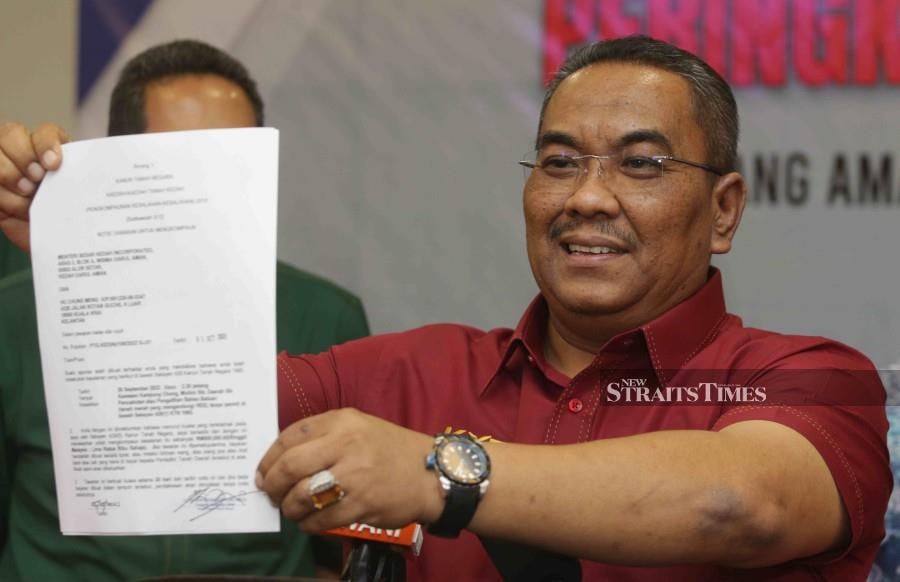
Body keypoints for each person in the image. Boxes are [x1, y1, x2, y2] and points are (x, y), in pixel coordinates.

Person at [0, 36, 890, 580]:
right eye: (559, 160)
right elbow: (167, 426)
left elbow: (739, 504)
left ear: (724, 210)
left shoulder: (811, 377)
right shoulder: (410, 373)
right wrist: (108, 260)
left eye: (642, 164)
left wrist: (440, 474)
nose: (588, 196)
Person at [0, 40, 368, 580]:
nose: (210, 189)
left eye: (233, 161)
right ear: (118, 164)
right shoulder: (15, 311)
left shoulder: (326, 317)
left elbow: (342, 541)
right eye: (186, 160)